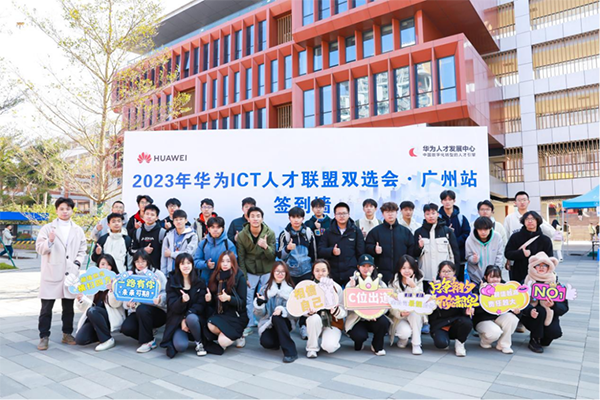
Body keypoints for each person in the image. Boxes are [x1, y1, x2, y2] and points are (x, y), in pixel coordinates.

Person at [36, 197, 87, 351]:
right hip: (51, 272)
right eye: (62, 209)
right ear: (57, 210)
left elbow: (82, 249)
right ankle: (44, 336)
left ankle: (67, 334)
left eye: (68, 209)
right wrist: (50, 241)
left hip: (70, 273)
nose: (65, 212)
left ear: (72, 211)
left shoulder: (77, 230)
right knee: (46, 308)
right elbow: (39, 249)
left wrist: (77, 263)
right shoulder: (47, 228)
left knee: (68, 307)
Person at [236, 206, 276, 336]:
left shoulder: (270, 233)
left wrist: (265, 247)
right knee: (248, 297)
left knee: (268, 296)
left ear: (262, 219)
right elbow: (241, 257)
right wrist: (244, 276)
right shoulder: (242, 235)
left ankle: (270, 323)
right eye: (252, 216)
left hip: (266, 269)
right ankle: (249, 323)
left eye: (258, 216)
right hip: (250, 270)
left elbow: (272, 256)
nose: (255, 219)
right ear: (247, 218)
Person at [160, 253, 208, 358]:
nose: (186, 266)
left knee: (191, 318)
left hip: (195, 320)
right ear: (178, 266)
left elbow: (200, 305)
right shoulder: (172, 282)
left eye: (188, 263)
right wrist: (181, 301)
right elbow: (172, 306)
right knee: (180, 346)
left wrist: (185, 318)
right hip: (177, 322)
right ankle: (181, 336)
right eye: (182, 264)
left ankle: (199, 343)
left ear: (192, 265)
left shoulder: (199, 281)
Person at [74, 254, 125, 351]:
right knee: (80, 339)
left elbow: (115, 304)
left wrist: (112, 290)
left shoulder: (117, 281)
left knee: (93, 311)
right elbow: (84, 308)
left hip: (109, 317)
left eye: (108, 265)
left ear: (112, 267)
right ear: (98, 266)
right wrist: (81, 299)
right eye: (102, 264)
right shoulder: (92, 282)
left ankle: (107, 340)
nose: (105, 267)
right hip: (93, 317)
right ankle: (99, 333)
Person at [120, 250, 167, 353]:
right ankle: (150, 338)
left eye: (143, 261)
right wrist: (128, 305)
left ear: (148, 261)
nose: (140, 264)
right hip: (137, 312)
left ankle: (147, 341)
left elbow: (165, 293)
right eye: (137, 262)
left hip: (156, 311)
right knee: (126, 328)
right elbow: (125, 295)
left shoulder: (157, 274)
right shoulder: (130, 276)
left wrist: (159, 299)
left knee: (142, 309)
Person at [520, 252, 568, 353]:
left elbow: (564, 308)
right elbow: (518, 301)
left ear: (550, 267)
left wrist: (553, 305)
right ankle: (534, 339)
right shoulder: (526, 282)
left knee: (553, 333)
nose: (541, 267)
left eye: (545, 265)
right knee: (540, 311)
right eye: (538, 265)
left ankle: (542, 337)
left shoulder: (555, 283)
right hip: (531, 316)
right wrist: (529, 310)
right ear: (533, 266)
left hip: (550, 315)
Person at [345, 255, 390, 356]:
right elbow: (347, 306)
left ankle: (377, 345)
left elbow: (386, 305)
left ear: (373, 267)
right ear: (358, 267)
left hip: (375, 318)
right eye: (363, 266)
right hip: (357, 319)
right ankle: (359, 342)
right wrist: (352, 289)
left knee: (383, 322)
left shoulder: (381, 283)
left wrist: (375, 314)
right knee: (359, 336)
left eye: (369, 266)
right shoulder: (352, 283)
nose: (366, 269)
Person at [254, 261, 298, 363]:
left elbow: (295, 314)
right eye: (277, 271)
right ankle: (280, 340)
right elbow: (260, 314)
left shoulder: (291, 290)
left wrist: (282, 310)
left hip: (285, 322)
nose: (280, 274)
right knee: (266, 343)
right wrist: (260, 304)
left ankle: (291, 352)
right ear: (272, 272)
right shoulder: (265, 289)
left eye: (283, 272)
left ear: (286, 273)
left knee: (277, 317)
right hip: (268, 323)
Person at [206, 251, 249, 353]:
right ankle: (229, 334)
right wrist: (209, 299)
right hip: (221, 314)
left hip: (236, 316)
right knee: (210, 325)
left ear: (233, 263)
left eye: (228, 261)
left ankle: (239, 335)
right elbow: (213, 302)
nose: (225, 264)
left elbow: (242, 303)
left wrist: (229, 298)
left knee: (222, 342)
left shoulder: (239, 277)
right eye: (222, 261)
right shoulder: (216, 276)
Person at [429, 261, 473, 357]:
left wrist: (467, 311)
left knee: (467, 322)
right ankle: (442, 338)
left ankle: (460, 343)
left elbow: (467, 304)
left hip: (456, 322)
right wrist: (436, 293)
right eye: (443, 271)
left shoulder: (461, 287)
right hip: (440, 324)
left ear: (454, 272)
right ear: (439, 274)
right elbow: (429, 309)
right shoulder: (433, 287)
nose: (446, 274)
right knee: (441, 344)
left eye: (449, 271)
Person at [472, 265, 520, 354]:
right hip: (483, 320)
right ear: (485, 277)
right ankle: (484, 340)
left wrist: (516, 310)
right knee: (495, 332)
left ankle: (504, 344)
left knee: (512, 318)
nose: (495, 280)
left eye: (497, 277)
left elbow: (515, 302)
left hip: (499, 318)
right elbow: (475, 308)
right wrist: (482, 295)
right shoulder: (478, 288)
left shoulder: (506, 288)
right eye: (492, 277)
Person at [305, 259, 346, 358]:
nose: (320, 273)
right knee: (313, 319)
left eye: (323, 270)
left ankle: (328, 338)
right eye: (317, 270)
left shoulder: (336, 287)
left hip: (333, 323)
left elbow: (344, 310)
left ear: (328, 271)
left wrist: (336, 311)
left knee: (329, 347)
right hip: (316, 321)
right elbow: (302, 308)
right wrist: (309, 312)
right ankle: (312, 348)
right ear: (313, 272)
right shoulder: (308, 287)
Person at [365, 202, 415, 283]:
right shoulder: (375, 231)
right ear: (382, 214)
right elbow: (367, 247)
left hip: (401, 273)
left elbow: (411, 251)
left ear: (396, 213)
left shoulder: (405, 232)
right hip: (381, 273)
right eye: (387, 212)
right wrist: (374, 249)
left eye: (392, 211)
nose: (390, 214)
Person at [414, 203, 460, 291]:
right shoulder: (419, 232)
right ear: (424, 215)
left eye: (433, 213)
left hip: (445, 278)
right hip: (425, 277)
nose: (431, 216)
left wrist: (454, 274)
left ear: (438, 214)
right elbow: (415, 254)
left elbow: (455, 254)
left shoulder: (447, 231)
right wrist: (420, 247)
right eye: (428, 214)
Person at [317, 202, 364, 285]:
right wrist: (332, 251)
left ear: (349, 215)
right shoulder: (328, 231)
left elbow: (361, 252)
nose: (342, 216)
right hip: (333, 273)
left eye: (344, 213)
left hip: (351, 273)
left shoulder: (356, 231)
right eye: (339, 214)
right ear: (335, 215)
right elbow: (320, 250)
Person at [388, 255, 425, 355]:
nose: (407, 271)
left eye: (410, 268)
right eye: (404, 268)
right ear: (399, 269)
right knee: (405, 332)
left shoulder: (418, 280)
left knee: (415, 313)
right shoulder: (393, 282)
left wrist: (413, 286)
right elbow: (390, 305)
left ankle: (416, 344)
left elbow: (421, 300)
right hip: (399, 317)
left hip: (414, 315)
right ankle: (403, 339)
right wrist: (400, 313)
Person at [504, 211, 553, 284]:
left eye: (532, 219)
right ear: (523, 221)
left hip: (538, 276)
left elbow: (549, 259)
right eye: (527, 219)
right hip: (518, 274)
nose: (530, 221)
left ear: (537, 221)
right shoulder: (515, 237)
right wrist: (521, 253)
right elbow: (507, 253)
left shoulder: (545, 240)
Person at [277, 207, 317, 284]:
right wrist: (287, 249)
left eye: (298, 217)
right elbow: (280, 256)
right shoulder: (284, 234)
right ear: (289, 218)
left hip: (307, 272)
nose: (296, 220)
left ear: (303, 219)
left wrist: (313, 270)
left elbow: (314, 253)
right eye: (293, 217)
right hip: (290, 273)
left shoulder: (308, 233)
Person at [194, 216, 237, 284]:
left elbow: (234, 263)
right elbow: (196, 262)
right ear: (208, 229)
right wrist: (206, 264)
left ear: (223, 229)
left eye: (218, 227)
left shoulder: (229, 244)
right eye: (213, 227)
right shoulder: (203, 244)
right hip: (205, 281)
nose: (215, 230)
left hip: (223, 281)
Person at [465, 217, 505, 285]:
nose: (483, 232)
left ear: (490, 228)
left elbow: (499, 256)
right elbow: (468, 257)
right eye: (480, 229)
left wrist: (496, 273)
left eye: (486, 229)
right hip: (476, 277)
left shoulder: (497, 237)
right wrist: (474, 259)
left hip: (493, 278)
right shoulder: (470, 240)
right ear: (476, 229)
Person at [438, 190, 471, 268]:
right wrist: (446, 232)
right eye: (445, 200)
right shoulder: (437, 218)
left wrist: (455, 242)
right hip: (441, 255)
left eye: (450, 199)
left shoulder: (461, 218)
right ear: (441, 202)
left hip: (459, 255)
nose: (447, 202)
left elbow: (466, 233)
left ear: (454, 201)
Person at [130, 204, 166, 272]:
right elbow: (132, 251)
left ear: (157, 217)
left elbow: (165, 254)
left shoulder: (162, 232)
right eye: (147, 214)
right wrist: (143, 250)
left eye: (152, 215)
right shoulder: (138, 232)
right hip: (140, 270)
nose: (149, 216)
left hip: (157, 270)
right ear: (143, 216)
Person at [161, 210, 199, 274]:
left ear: (186, 220)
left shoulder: (192, 236)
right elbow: (164, 257)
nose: (178, 221)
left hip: (186, 271)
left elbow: (188, 253)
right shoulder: (168, 236)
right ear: (173, 222)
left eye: (181, 219)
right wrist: (164, 274)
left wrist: (171, 254)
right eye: (176, 220)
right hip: (171, 272)